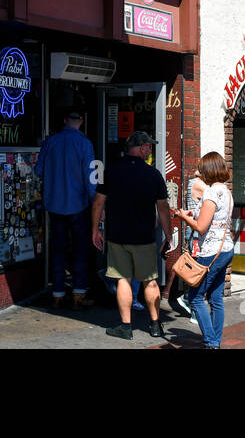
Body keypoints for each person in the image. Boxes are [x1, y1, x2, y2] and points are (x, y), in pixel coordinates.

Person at [91, 131, 173, 339]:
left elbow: (98, 202)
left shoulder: (111, 171)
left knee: (123, 280)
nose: (150, 150)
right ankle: (155, 325)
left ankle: (126, 327)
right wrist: (169, 236)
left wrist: (95, 230)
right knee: (150, 281)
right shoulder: (153, 175)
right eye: (148, 147)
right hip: (144, 237)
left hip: (118, 237)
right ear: (141, 148)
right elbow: (163, 209)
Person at [173, 152, 234, 349]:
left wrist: (184, 217)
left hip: (211, 251)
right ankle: (215, 340)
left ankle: (211, 341)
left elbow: (200, 227)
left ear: (208, 170)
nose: (199, 172)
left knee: (195, 297)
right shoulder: (225, 191)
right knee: (216, 298)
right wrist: (194, 212)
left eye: (202, 168)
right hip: (225, 249)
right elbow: (215, 216)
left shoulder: (209, 192)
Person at [35, 111, 96, 309]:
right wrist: (97, 204)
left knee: (58, 249)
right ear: (82, 121)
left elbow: (38, 171)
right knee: (80, 249)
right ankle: (78, 294)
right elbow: (91, 179)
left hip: (54, 205)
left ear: (64, 120)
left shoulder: (50, 142)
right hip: (78, 205)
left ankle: (57, 294)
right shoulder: (85, 144)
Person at [168, 167, 205, 321]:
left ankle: (191, 302)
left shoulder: (196, 183)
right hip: (197, 232)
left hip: (197, 231)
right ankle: (192, 307)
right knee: (197, 273)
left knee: (199, 272)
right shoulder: (198, 184)